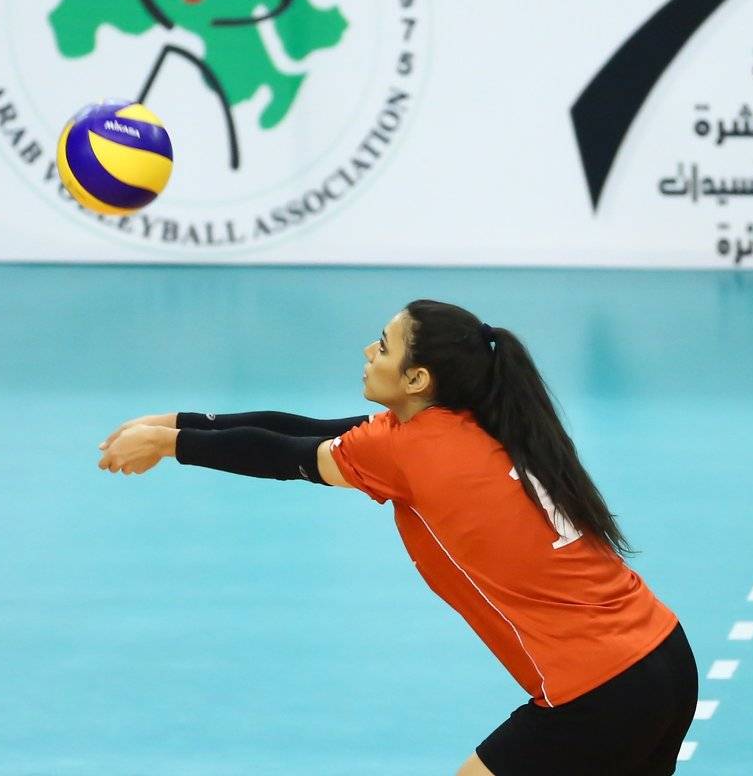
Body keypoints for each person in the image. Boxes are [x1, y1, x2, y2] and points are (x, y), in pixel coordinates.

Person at [99, 299, 697, 775]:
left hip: (596, 693)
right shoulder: (474, 421)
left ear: (417, 378)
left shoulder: (410, 449)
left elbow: (282, 455)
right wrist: (177, 423)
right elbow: (305, 429)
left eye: (383, 346)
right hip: (664, 655)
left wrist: (171, 445)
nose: (368, 351)